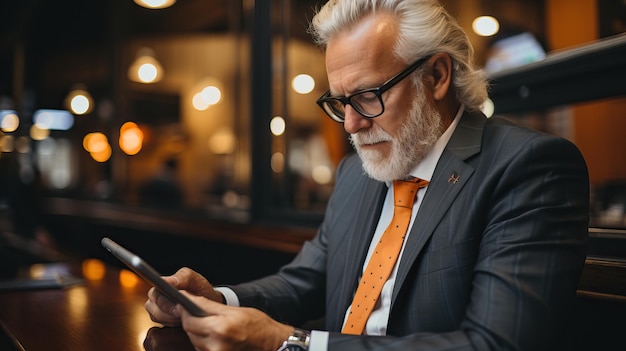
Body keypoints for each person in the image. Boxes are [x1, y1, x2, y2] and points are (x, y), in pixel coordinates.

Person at [145, 1, 590, 350]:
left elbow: (495, 343)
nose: (352, 125)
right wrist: (217, 301)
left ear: (436, 75)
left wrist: (287, 343)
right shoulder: (358, 172)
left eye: (368, 96)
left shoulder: (529, 167)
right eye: (340, 102)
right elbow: (307, 281)